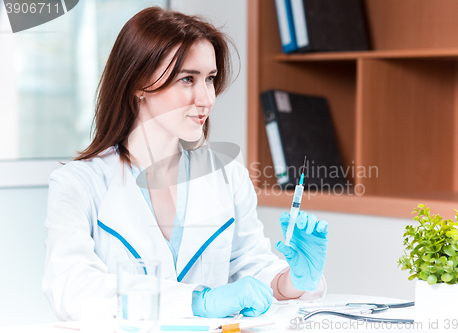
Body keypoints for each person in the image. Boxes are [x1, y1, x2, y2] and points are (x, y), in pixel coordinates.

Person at [43, 6, 328, 321]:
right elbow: (70, 288)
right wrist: (197, 301)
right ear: (138, 84)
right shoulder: (78, 184)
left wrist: (292, 281)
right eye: (187, 79)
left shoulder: (227, 175)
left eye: (210, 79)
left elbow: (251, 265)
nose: (206, 98)